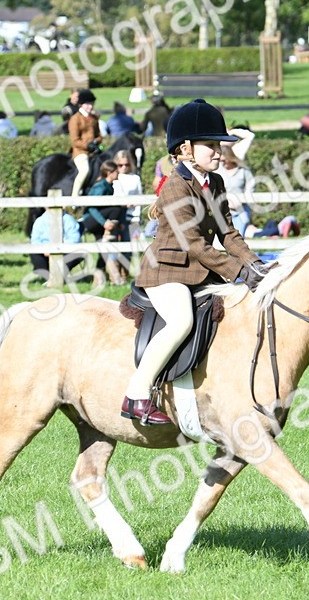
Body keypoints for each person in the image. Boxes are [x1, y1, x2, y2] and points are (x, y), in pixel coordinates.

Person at [124, 98, 264, 426]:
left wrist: (257, 266)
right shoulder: (174, 187)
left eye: (219, 145)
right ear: (186, 149)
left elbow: (229, 234)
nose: (219, 151)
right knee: (181, 322)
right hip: (166, 273)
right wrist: (238, 271)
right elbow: (198, 247)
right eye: (211, 145)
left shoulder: (214, 183)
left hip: (200, 273)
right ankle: (137, 393)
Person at [80, 161, 128, 285]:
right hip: (91, 220)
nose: (118, 173)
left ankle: (98, 279)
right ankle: (108, 231)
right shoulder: (100, 186)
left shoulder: (109, 186)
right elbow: (91, 207)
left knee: (103, 249)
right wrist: (104, 222)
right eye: (116, 171)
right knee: (117, 208)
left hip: (98, 220)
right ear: (109, 173)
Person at [29, 209, 82, 286]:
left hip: (65, 251)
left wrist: (59, 249)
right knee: (34, 252)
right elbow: (35, 241)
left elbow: (74, 239)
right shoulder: (40, 220)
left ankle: (57, 278)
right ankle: (48, 278)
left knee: (77, 252)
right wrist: (45, 249)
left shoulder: (68, 219)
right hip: (45, 252)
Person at [219, 130, 256, 235]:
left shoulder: (243, 170)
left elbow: (251, 187)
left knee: (239, 237)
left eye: (225, 161)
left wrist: (243, 200)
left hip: (241, 210)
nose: (223, 163)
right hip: (223, 209)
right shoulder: (218, 171)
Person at [68, 89, 101, 198]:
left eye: (91, 104)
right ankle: (75, 195)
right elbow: (75, 140)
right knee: (84, 170)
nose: (90, 107)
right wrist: (87, 145)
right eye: (87, 104)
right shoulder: (75, 119)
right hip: (80, 152)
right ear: (81, 104)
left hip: (93, 150)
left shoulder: (94, 118)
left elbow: (99, 135)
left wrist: (96, 142)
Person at [111, 149, 143, 238]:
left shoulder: (136, 178)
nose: (124, 167)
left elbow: (139, 196)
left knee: (133, 244)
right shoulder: (113, 178)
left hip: (133, 216)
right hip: (116, 215)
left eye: (127, 164)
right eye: (120, 165)